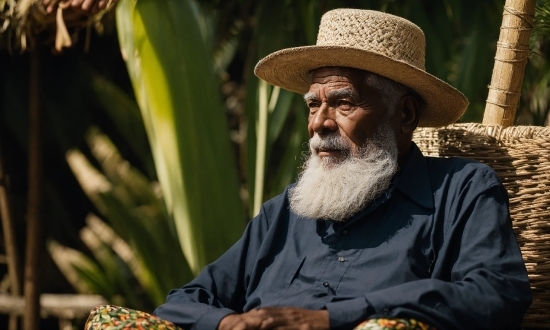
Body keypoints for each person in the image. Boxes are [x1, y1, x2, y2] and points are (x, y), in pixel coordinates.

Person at [153, 9, 532, 330]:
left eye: (343, 103)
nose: (319, 123)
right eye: (312, 105)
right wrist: (228, 323)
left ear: (405, 114)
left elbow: (497, 294)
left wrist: (328, 318)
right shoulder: (284, 212)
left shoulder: (461, 190)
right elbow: (184, 301)